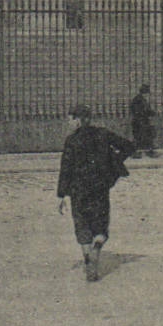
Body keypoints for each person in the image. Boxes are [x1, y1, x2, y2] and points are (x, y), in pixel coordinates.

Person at [56, 104, 135, 282]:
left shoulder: (71, 140)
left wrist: (61, 195)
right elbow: (129, 146)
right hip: (100, 188)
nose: (69, 122)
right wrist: (114, 161)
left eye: (70, 118)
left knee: (82, 226)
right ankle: (97, 248)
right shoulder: (103, 134)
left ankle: (87, 259)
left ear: (78, 120)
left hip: (78, 191)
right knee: (100, 226)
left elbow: (65, 169)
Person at [129, 84, 159, 158]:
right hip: (139, 122)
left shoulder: (142, 100)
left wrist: (153, 113)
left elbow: (147, 110)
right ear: (144, 93)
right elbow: (138, 111)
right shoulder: (138, 100)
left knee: (146, 137)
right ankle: (139, 153)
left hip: (143, 122)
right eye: (147, 93)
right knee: (139, 138)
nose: (147, 95)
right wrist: (147, 114)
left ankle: (148, 152)